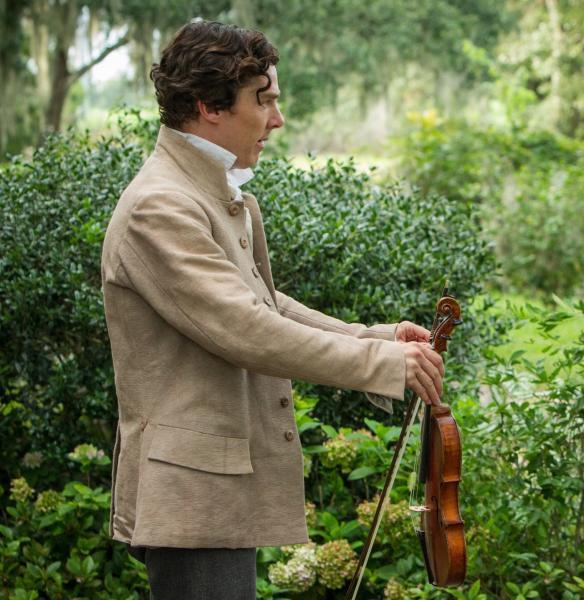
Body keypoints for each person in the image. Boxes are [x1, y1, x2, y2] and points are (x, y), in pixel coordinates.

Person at [101, 20, 444, 599]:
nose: (277, 120)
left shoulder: (204, 191)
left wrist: (375, 338)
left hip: (214, 485)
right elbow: (245, 329)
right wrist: (381, 365)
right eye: (263, 101)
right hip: (194, 493)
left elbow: (261, 300)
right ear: (210, 105)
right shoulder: (160, 205)